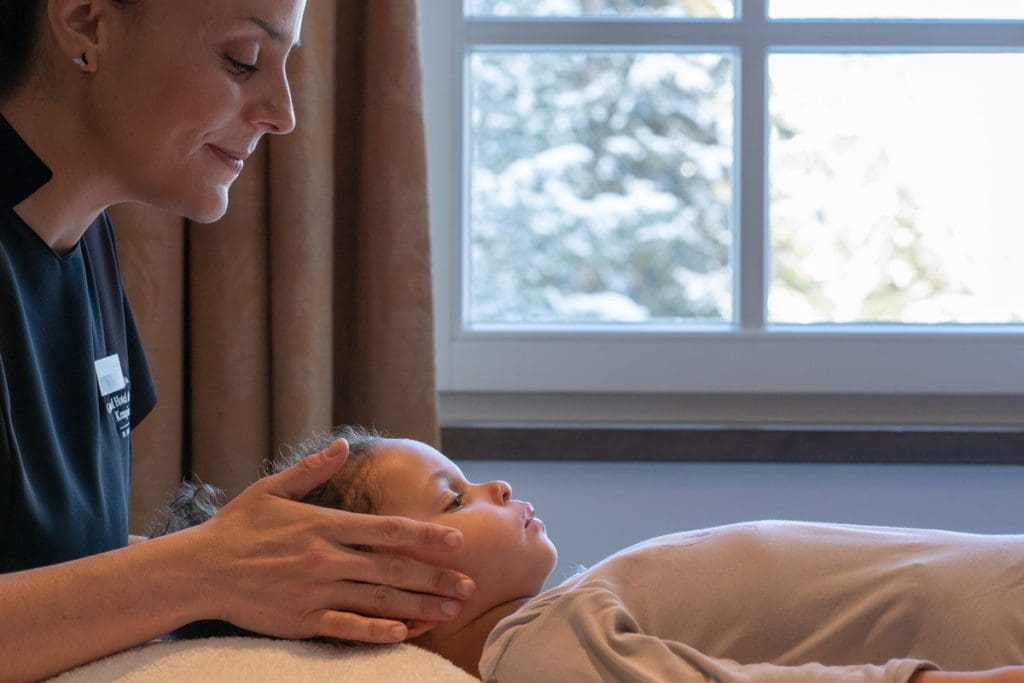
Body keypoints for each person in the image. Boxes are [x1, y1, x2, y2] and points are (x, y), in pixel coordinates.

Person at [0, 1, 475, 680]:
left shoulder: (78, 239)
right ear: (86, 23)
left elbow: (52, 563)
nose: (283, 113)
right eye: (243, 60)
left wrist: (281, 568)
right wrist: (202, 570)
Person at [158, 426, 1024, 683]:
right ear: (388, 590)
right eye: (452, 497)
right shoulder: (536, 652)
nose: (494, 488)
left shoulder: (553, 615)